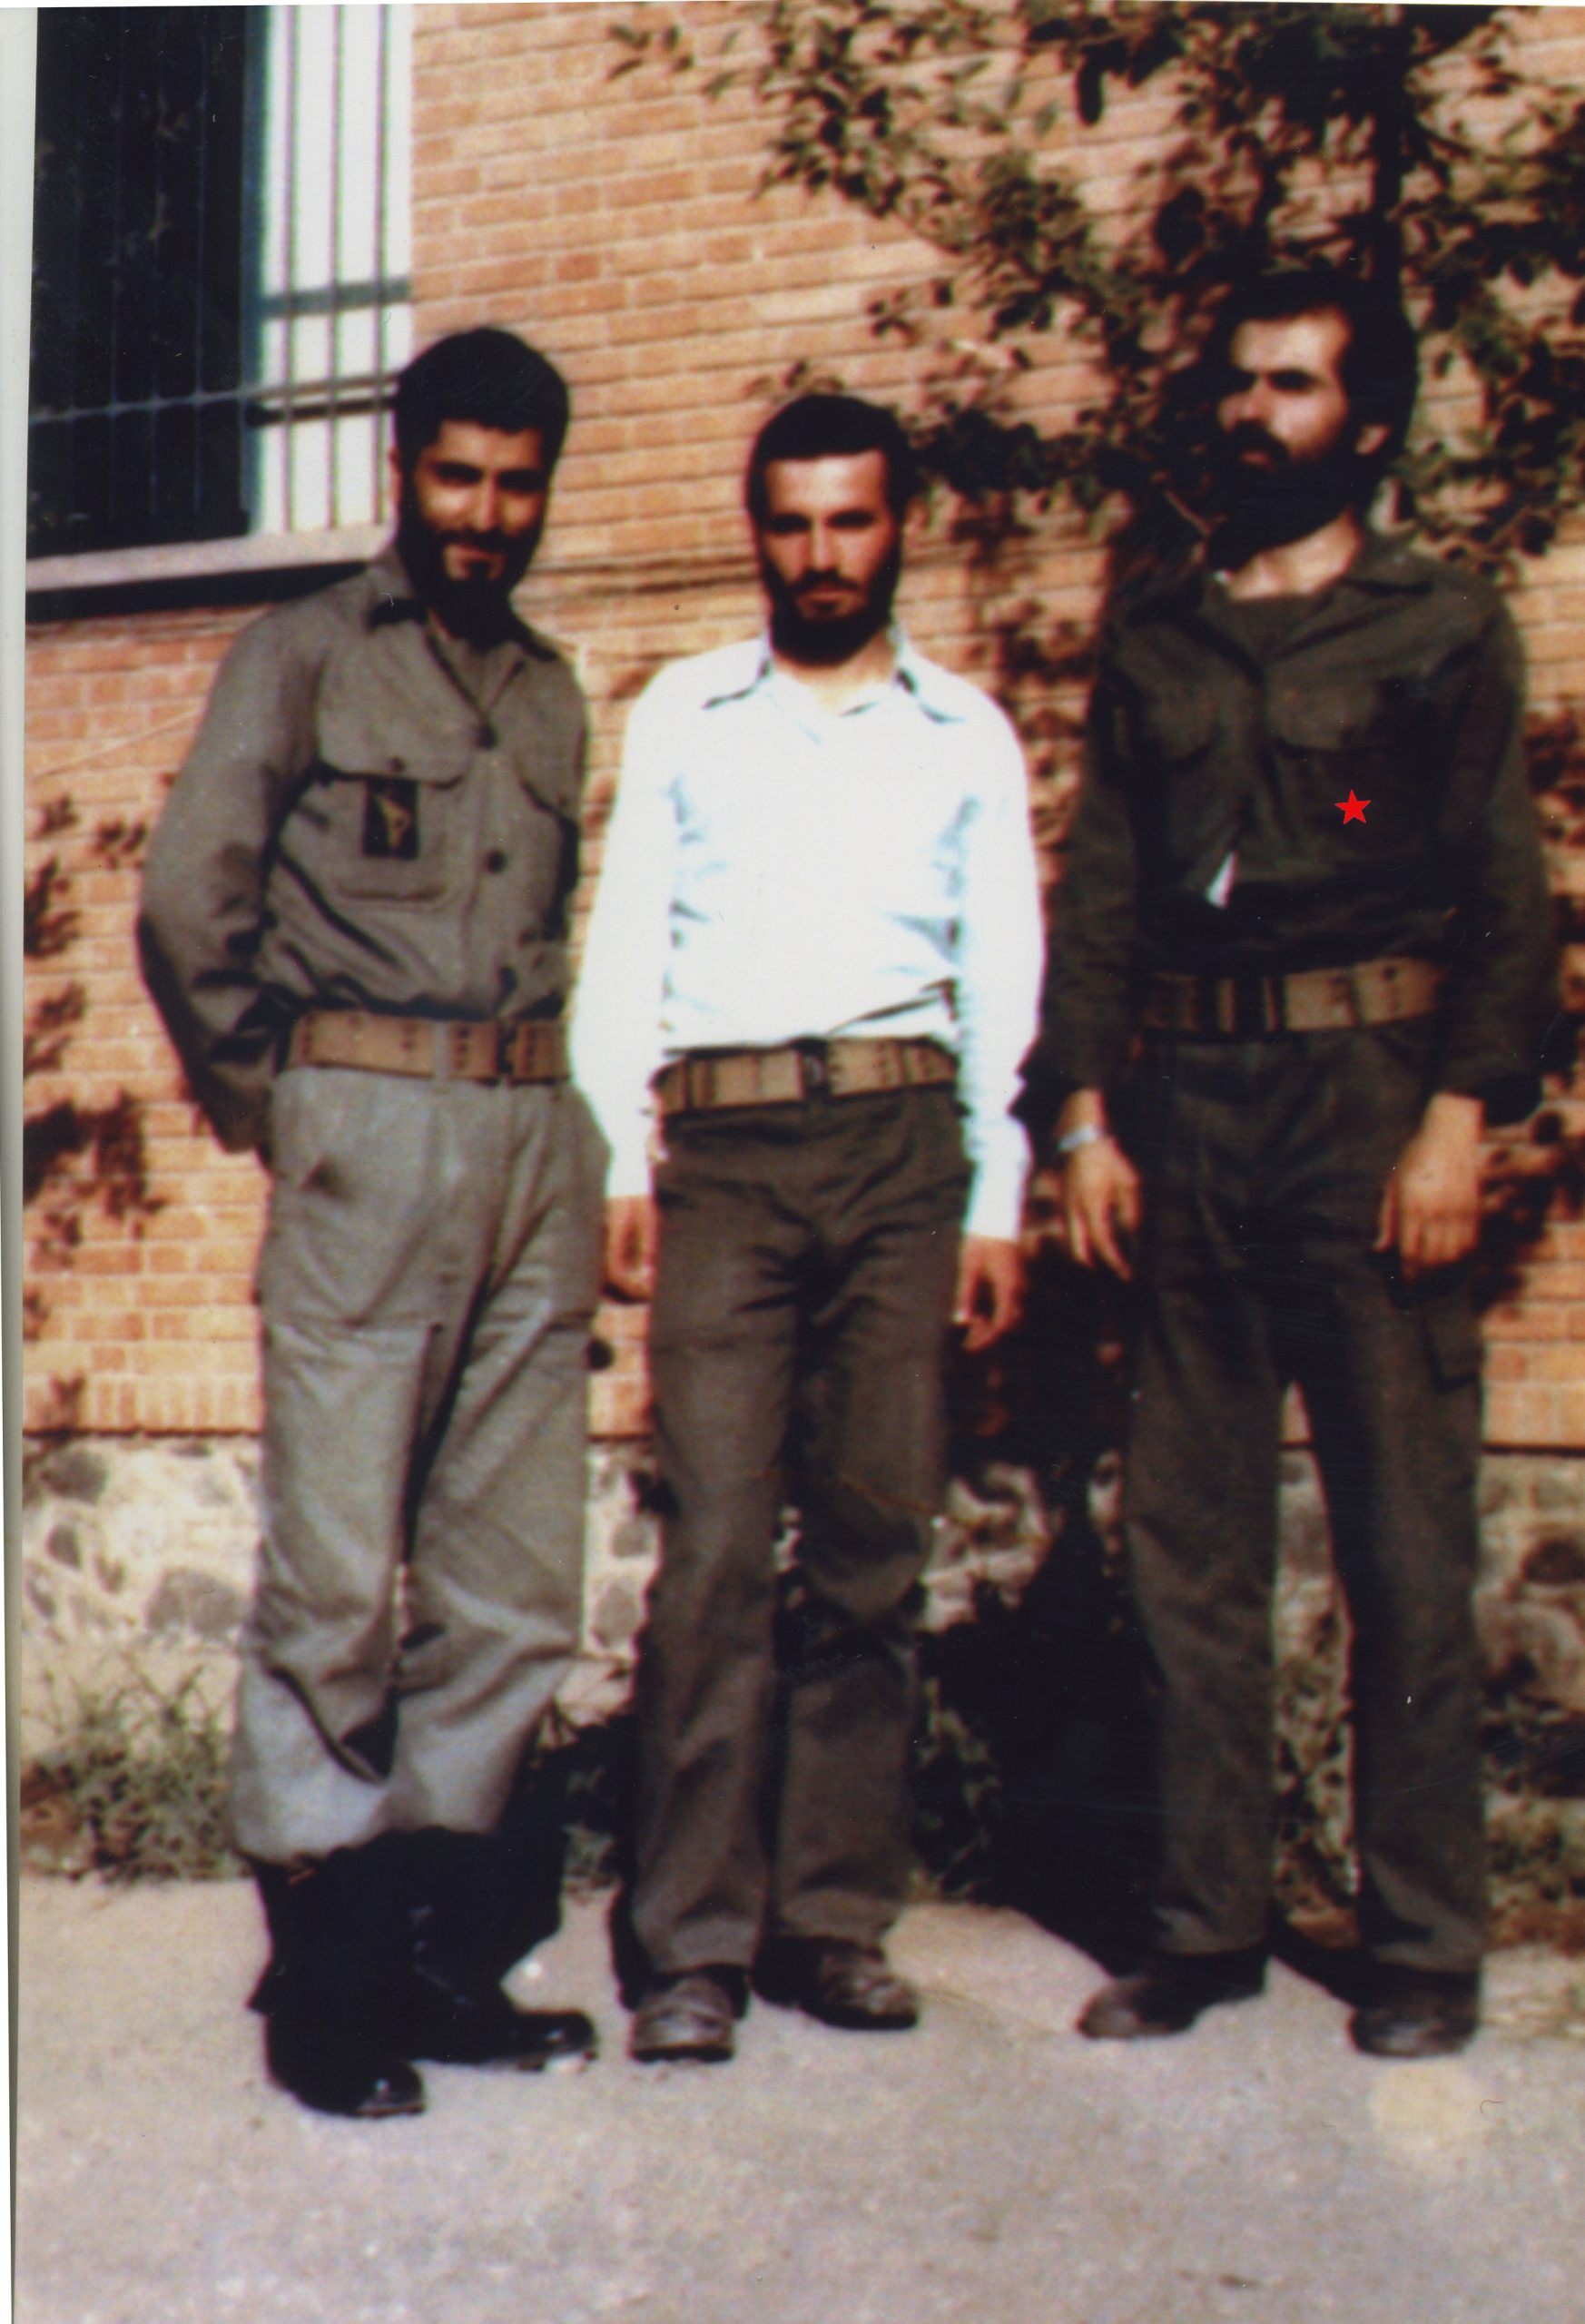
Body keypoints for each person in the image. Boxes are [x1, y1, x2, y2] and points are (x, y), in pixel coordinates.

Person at [1026, 267, 1559, 2058]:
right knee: (1187, 1550)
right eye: (1239, 383)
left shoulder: (1437, 627)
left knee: (1401, 1546)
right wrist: (1080, 1116)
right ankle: (1205, 1925)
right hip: (1188, 1116)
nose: (1252, 414)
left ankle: (1421, 1942)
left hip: (1368, 1106)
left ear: (1371, 424)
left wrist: (1459, 1116)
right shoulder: (1161, 641)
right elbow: (1104, 895)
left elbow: (1500, 892)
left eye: (1293, 386)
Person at [139, 329, 606, 2118]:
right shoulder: (305, 654)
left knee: (509, 1587)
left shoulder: (552, 693)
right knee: (338, 1578)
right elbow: (192, 896)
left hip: (528, 1136)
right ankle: (325, 1985)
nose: (485, 513)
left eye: (516, 483)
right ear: (403, 470)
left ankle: (441, 1956)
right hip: (366, 1131)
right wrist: (284, 1103)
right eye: (456, 475)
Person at [573, 393, 1043, 2063]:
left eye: (851, 520)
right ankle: (690, 1945)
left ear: (899, 525)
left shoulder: (963, 733)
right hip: (725, 1148)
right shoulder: (688, 714)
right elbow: (626, 942)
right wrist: (619, 1162)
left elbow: (1002, 976)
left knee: (869, 1550)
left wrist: (995, 1194)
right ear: (756, 530)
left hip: (904, 1147)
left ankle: (833, 1921)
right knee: (711, 1551)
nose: (821, 553)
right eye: (791, 522)